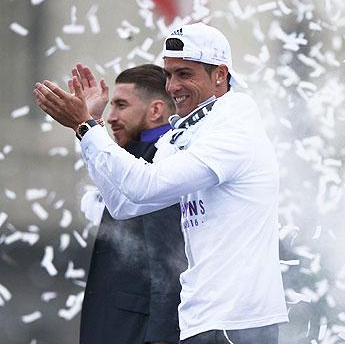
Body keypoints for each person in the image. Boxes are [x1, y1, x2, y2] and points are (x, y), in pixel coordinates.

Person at [34, 23, 288, 344]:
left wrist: (86, 127)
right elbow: (126, 203)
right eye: (168, 74)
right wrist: (91, 127)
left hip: (239, 321)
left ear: (220, 75)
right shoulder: (185, 132)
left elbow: (145, 185)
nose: (172, 86)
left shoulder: (235, 130)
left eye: (184, 73)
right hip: (199, 318)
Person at [78, 64, 186, 344]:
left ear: (155, 110)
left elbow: (170, 263)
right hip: (115, 325)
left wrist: (162, 339)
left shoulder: (165, 161)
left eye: (121, 105)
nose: (111, 116)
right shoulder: (132, 157)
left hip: (138, 331)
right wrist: (90, 122)